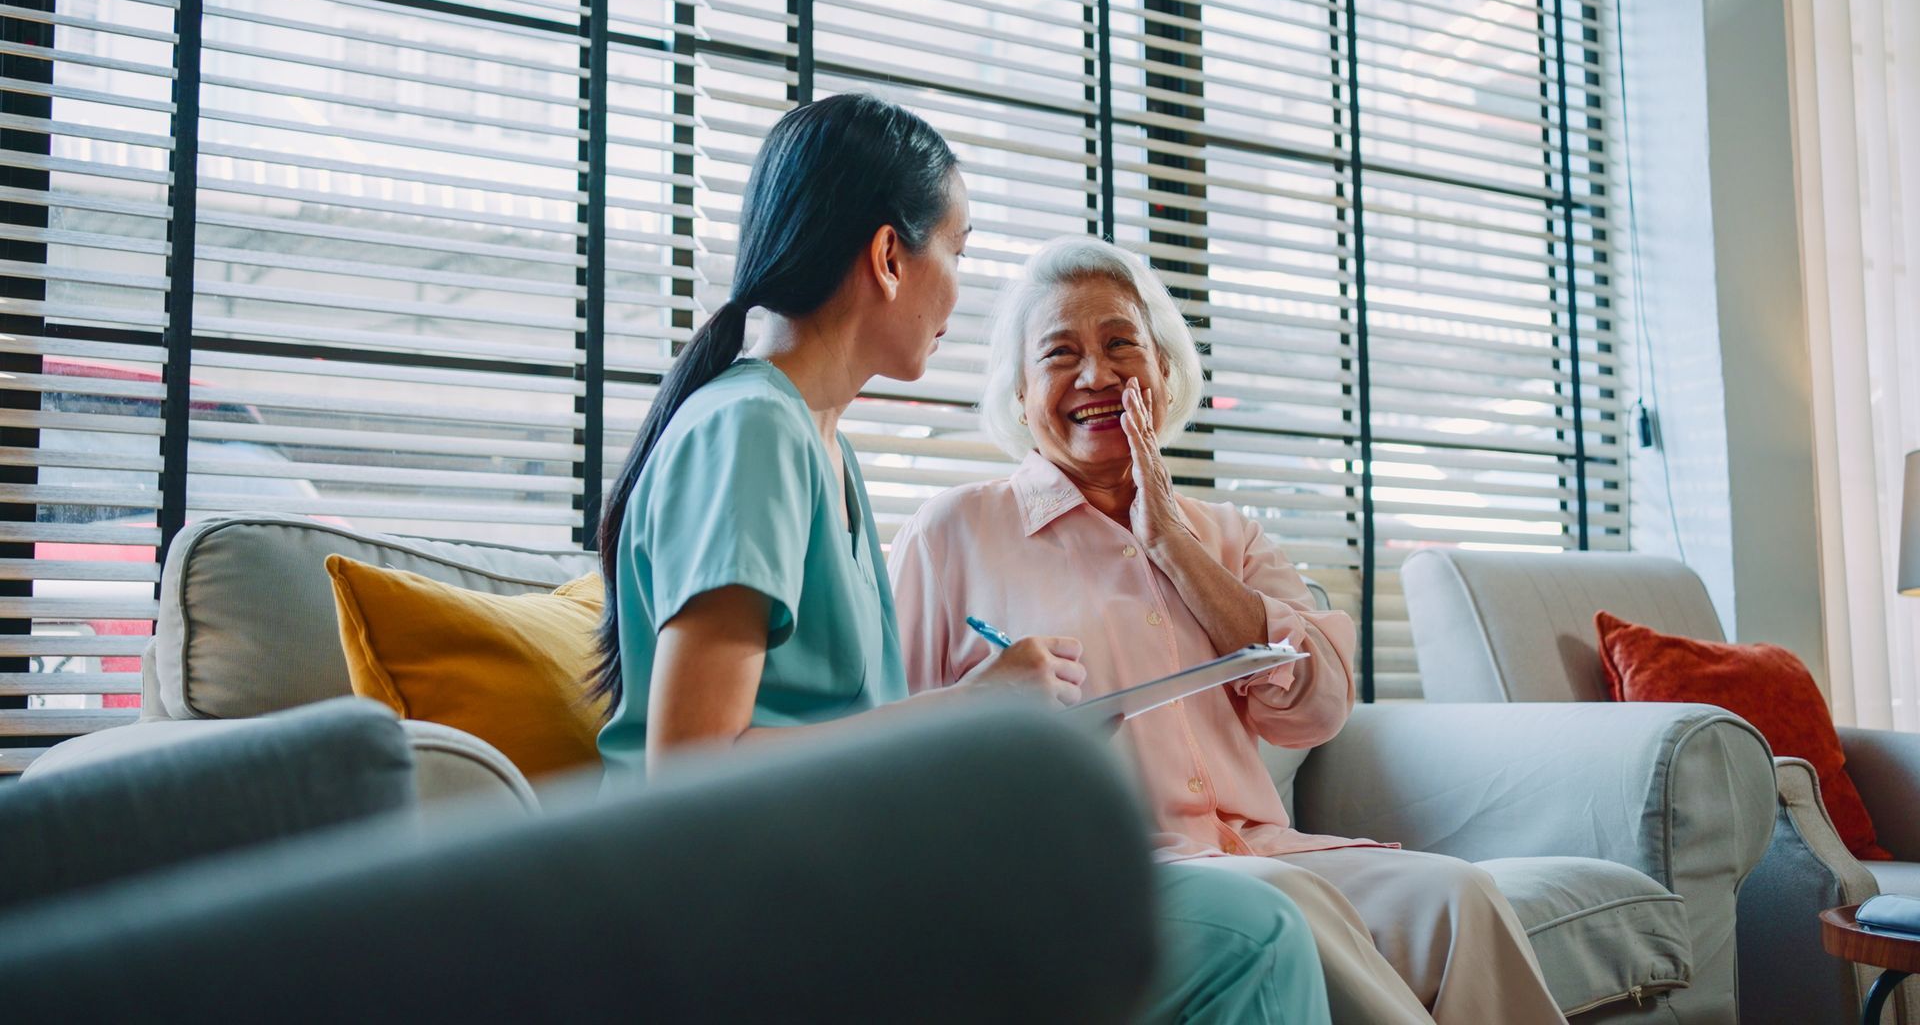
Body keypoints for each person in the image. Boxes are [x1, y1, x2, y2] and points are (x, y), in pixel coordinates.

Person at [590, 93, 1330, 1024]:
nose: (961, 292)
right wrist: (968, 709)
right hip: (760, 907)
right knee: (1252, 936)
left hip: (842, 877)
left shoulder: (821, 447)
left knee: (1238, 919)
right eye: (960, 250)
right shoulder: (751, 433)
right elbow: (692, 771)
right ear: (890, 258)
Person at [889, 235, 1569, 1025]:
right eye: (1060, 353)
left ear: (1164, 372)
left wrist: (1173, 543)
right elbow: (882, 752)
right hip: (1104, 876)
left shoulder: (1229, 535)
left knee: (1462, 897)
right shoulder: (952, 533)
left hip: (1258, 848)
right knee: (1280, 906)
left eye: (1121, 346)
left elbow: (1318, 709)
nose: (1096, 375)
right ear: (1019, 392)